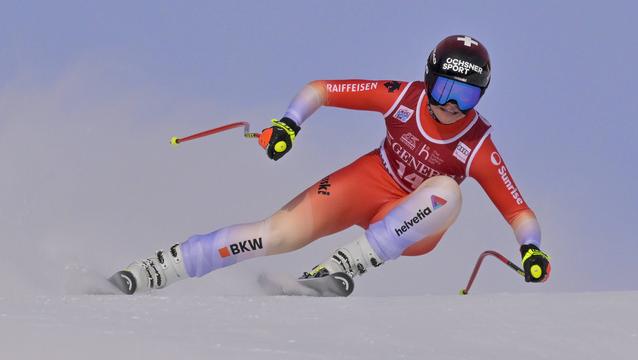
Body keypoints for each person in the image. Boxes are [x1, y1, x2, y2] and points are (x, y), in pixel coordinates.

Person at [111, 34, 551, 295]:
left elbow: (518, 210)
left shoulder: (476, 143)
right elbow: (320, 89)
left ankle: (343, 266)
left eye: (467, 97)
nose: (452, 105)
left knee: (449, 193)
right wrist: (288, 126)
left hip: (413, 221)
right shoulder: (401, 96)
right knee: (275, 233)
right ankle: (152, 271)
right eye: (442, 90)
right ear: (427, 79)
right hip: (366, 182)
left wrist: (530, 249)